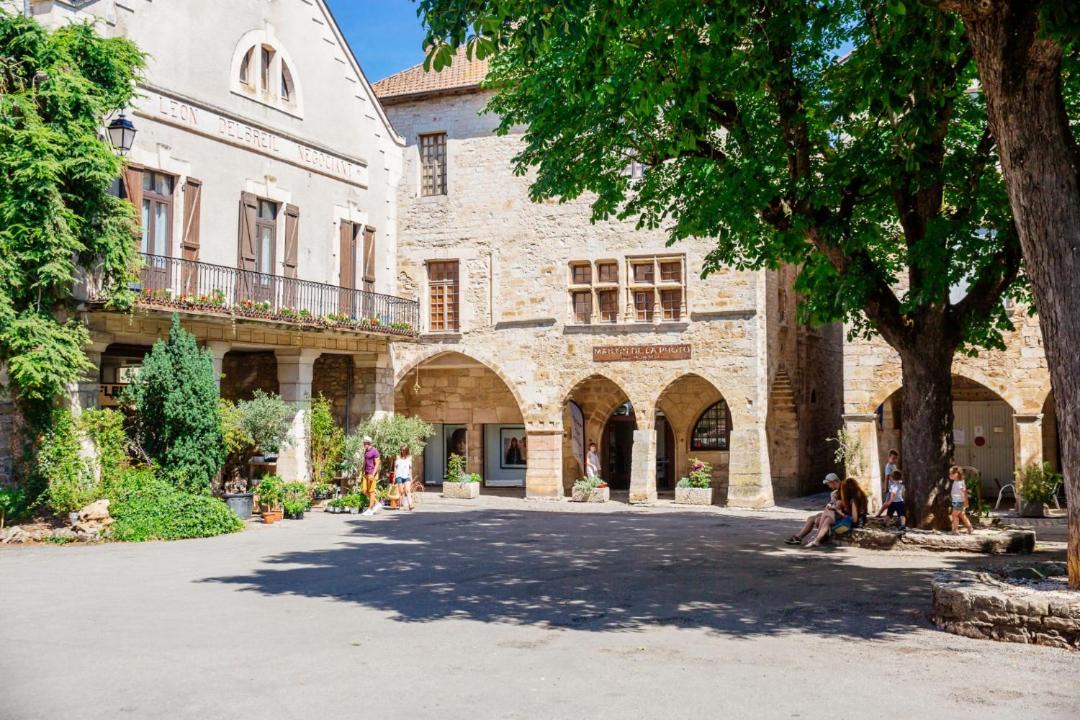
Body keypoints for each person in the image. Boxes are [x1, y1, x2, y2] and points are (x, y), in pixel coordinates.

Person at [785, 473, 842, 546]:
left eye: (829, 484)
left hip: (839, 513)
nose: (829, 486)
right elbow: (833, 504)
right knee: (811, 518)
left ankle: (818, 537)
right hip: (834, 512)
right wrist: (831, 502)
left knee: (818, 519)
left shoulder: (842, 491)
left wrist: (832, 502)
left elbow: (840, 506)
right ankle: (798, 537)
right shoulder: (835, 492)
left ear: (833, 482)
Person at [949, 465, 974, 534]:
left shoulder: (959, 483)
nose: (949, 475)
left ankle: (955, 530)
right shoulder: (959, 481)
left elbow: (963, 492)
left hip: (958, 501)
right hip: (958, 501)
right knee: (962, 515)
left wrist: (965, 502)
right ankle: (970, 528)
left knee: (954, 515)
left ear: (957, 474)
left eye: (951, 473)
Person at [360, 436, 381, 516]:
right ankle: (377, 503)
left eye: (364, 443)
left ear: (368, 443)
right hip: (366, 473)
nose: (363, 444)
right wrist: (362, 472)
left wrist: (373, 474)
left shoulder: (374, 451)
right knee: (364, 490)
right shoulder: (366, 451)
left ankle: (370, 509)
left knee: (371, 492)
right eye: (363, 443)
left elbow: (377, 464)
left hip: (372, 473)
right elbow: (365, 462)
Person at [394, 444, 415, 511]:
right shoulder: (398, 457)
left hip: (407, 476)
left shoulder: (409, 458)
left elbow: (410, 468)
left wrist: (411, 477)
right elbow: (395, 467)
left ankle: (410, 505)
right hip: (399, 476)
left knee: (408, 490)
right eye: (401, 450)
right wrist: (394, 476)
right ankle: (401, 504)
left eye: (404, 450)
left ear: (407, 451)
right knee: (401, 492)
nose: (402, 451)